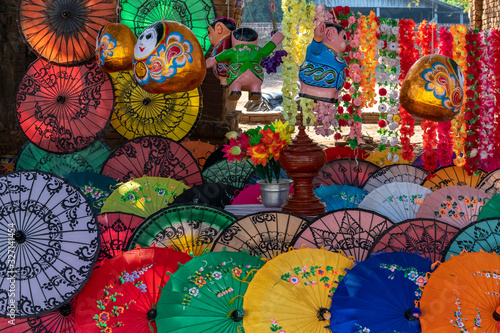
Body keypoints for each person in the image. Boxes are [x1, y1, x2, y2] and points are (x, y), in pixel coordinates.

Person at [206, 27, 284, 101]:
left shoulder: (233, 50)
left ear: (233, 38)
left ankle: (235, 90)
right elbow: (266, 50)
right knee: (255, 83)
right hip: (256, 74)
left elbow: (220, 56)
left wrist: (212, 61)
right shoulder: (258, 50)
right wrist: (274, 41)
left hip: (237, 73)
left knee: (235, 80)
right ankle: (255, 90)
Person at [299, 22, 347, 103]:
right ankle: (316, 91)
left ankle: (332, 93)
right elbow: (314, 49)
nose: (346, 41)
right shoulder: (319, 48)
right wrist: (317, 38)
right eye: (344, 37)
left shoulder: (334, 52)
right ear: (330, 34)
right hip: (317, 77)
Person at [207, 17, 236, 87]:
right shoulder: (227, 41)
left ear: (219, 29)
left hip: (225, 70)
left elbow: (222, 54)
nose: (208, 35)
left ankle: (224, 80)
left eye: (209, 31)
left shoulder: (225, 42)